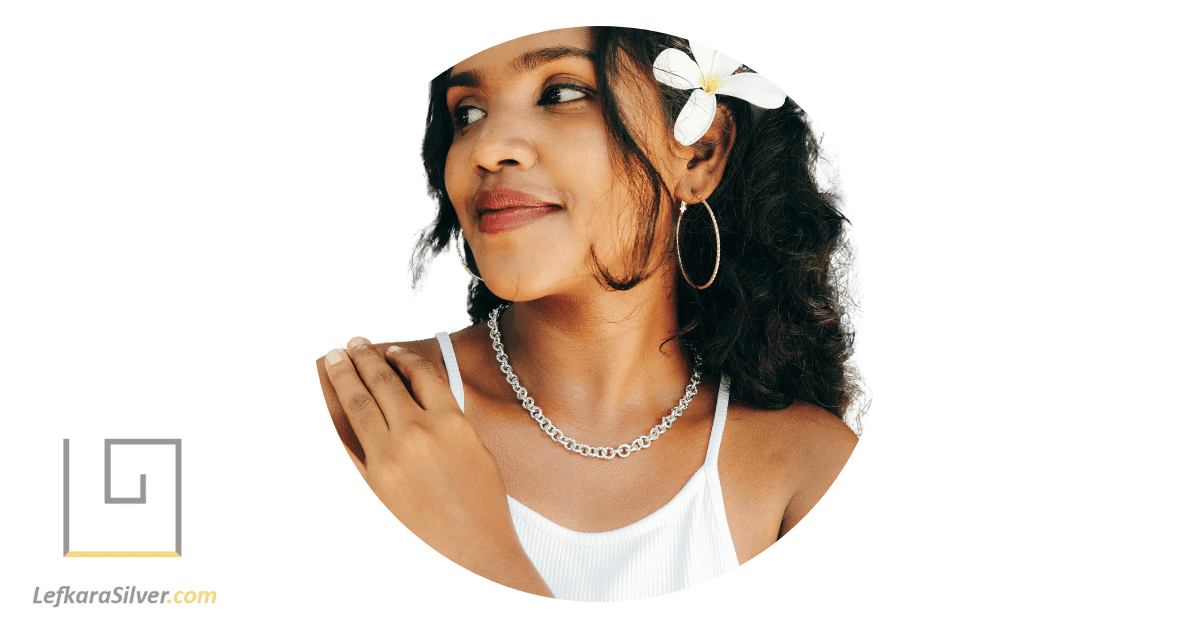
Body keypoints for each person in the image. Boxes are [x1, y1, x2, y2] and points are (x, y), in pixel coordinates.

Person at [316, 26, 863, 602]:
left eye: (561, 93)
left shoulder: (808, 474)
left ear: (700, 155)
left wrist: (480, 555)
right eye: (468, 112)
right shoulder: (368, 417)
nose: (486, 147)